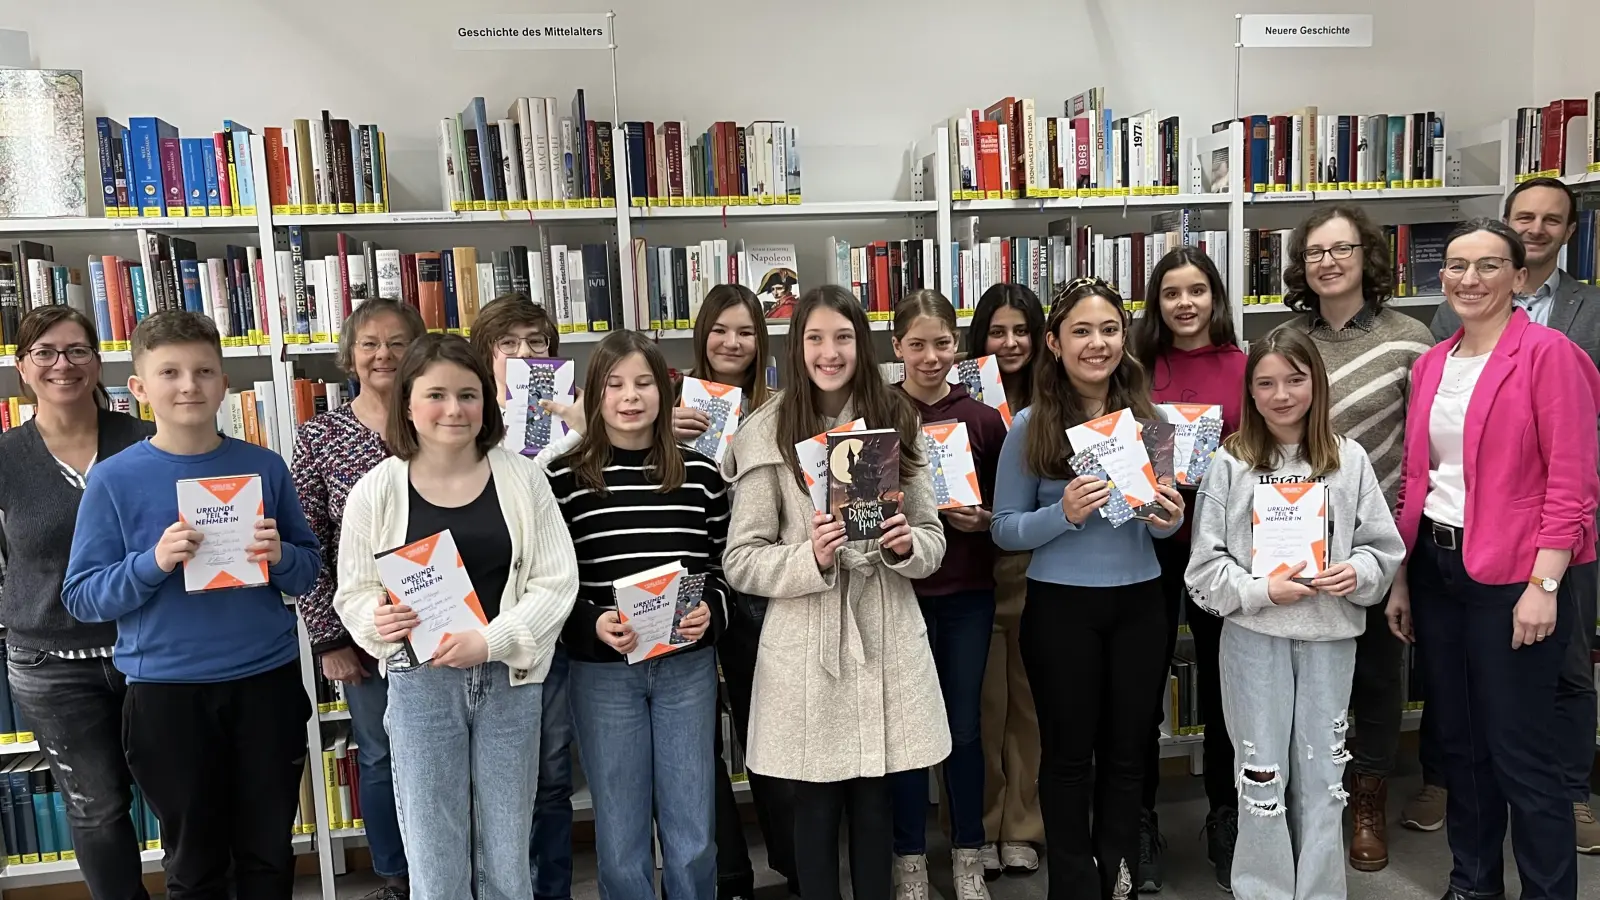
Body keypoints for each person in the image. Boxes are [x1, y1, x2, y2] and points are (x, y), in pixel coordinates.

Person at [61, 309, 322, 900]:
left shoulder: (264, 466)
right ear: (138, 388)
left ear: (224, 382)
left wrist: (280, 556)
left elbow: (308, 573)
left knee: (268, 853)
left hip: (265, 683)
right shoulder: (114, 479)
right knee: (194, 860)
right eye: (170, 372)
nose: (188, 386)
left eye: (204, 371)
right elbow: (82, 596)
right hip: (167, 695)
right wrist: (153, 562)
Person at [1386, 218, 1600, 900]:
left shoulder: (1549, 355)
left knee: (1522, 756)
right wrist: (1401, 578)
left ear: (1516, 275)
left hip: (1515, 580)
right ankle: (1473, 884)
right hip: (1436, 571)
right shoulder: (1431, 362)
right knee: (1461, 749)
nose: (1468, 279)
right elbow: (1419, 480)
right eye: (1455, 266)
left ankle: (1547, 891)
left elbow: (1572, 481)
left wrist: (1545, 583)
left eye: (1485, 266)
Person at [332, 333, 579, 900]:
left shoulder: (522, 477)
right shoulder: (376, 491)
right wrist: (378, 624)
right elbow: (355, 592)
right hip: (421, 682)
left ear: (486, 404)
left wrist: (492, 640)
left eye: (468, 395)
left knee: (508, 848)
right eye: (436, 395)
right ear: (409, 405)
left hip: (510, 680)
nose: (454, 410)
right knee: (433, 847)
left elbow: (557, 582)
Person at [722, 285, 949, 900]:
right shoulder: (765, 432)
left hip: (883, 628)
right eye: (815, 338)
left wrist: (906, 547)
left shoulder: (897, 420)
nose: (830, 352)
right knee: (815, 803)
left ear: (863, 345)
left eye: (843, 337)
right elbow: (740, 560)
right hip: (807, 642)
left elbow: (932, 538)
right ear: (796, 348)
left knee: (876, 800)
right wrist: (811, 556)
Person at [1185, 328, 1404, 900]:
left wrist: (1358, 572)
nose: (1282, 395)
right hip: (1255, 641)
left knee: (1326, 779)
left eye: (1295, 379)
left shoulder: (1348, 459)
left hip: (1330, 637)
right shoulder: (1230, 464)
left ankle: (1320, 890)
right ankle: (1263, 889)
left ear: (1317, 383)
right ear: (1250, 393)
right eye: (1266, 383)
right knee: (1261, 775)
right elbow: (1202, 570)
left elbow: (1382, 547)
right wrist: (1260, 591)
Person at [990, 278, 1185, 900]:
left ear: (1123, 339)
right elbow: (1003, 530)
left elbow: (1163, 526)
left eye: (1108, 329)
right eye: (1080, 330)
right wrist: (1063, 514)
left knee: (1129, 754)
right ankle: (1073, 884)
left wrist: (1171, 518)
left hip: (1140, 604)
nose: (1096, 343)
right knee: (1068, 757)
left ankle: (1118, 876)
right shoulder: (1030, 426)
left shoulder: (1149, 422)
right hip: (1062, 610)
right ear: (1053, 342)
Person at [1273, 204, 1434, 872]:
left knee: (1374, 680)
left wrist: (1399, 564)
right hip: (1293, 545)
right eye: (1314, 252)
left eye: (1341, 249)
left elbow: (1423, 456)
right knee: (1296, 682)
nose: (1328, 262)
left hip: (1376, 546)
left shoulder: (1411, 339)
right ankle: (1301, 801)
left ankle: (1366, 800)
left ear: (1367, 255)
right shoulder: (1286, 338)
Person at [545, 330, 730, 900]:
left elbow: (725, 568)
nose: (630, 397)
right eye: (614, 384)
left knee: (693, 831)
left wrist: (710, 613)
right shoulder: (563, 481)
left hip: (686, 669)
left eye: (645, 383)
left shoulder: (701, 477)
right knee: (621, 837)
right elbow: (551, 586)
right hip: (603, 676)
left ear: (666, 393)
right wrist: (591, 624)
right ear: (594, 395)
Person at [0, 306, 154, 900]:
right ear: (23, 368)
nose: (62, 365)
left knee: (184, 794)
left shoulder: (143, 440)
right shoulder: (7, 458)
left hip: (151, 649)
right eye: (45, 353)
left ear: (98, 362)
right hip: (50, 665)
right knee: (98, 809)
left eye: (77, 352)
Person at [291, 298, 426, 900]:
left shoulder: (442, 419)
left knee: (448, 758)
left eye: (398, 343)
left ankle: (449, 870)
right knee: (378, 755)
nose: (384, 356)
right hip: (367, 633)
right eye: (370, 343)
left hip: (452, 627)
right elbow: (308, 544)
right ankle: (398, 879)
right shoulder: (320, 437)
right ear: (349, 355)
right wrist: (329, 639)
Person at [668, 284, 796, 900]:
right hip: (688, 584)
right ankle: (726, 875)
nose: (732, 343)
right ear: (702, 334)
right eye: (720, 330)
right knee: (695, 740)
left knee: (768, 731)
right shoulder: (670, 401)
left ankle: (796, 864)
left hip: (757, 590)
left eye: (745, 332)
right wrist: (667, 433)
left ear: (761, 339)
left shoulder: (782, 407)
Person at [1127, 247, 1247, 892]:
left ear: (1214, 296)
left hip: (1222, 546)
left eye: (1197, 290)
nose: (1185, 304)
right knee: (1142, 685)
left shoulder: (1246, 366)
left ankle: (1225, 816)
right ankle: (1141, 819)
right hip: (1148, 544)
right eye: (1171, 292)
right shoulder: (1134, 370)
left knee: (1226, 685)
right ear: (1157, 302)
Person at [888, 290, 1007, 900]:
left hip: (967, 593)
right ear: (896, 348)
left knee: (962, 727)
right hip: (899, 596)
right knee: (907, 730)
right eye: (917, 345)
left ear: (957, 347)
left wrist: (983, 521)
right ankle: (908, 856)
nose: (930, 357)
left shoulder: (985, 420)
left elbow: (1005, 516)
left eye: (941, 344)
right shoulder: (880, 416)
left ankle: (967, 850)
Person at [468, 294, 586, 900]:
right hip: (484, 630)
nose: (523, 355)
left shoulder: (576, 421)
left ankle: (553, 891)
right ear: (485, 354)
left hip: (556, 624)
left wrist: (578, 432)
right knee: (489, 782)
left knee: (551, 777)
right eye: (508, 344)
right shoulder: (467, 422)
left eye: (536, 343)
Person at [966, 283, 1047, 878]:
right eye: (998, 331)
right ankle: (981, 825)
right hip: (971, 562)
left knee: (1030, 700)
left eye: (1021, 330)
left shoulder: (1057, 398)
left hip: (1037, 560)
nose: (1011, 342)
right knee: (982, 702)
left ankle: (1023, 823)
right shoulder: (963, 397)